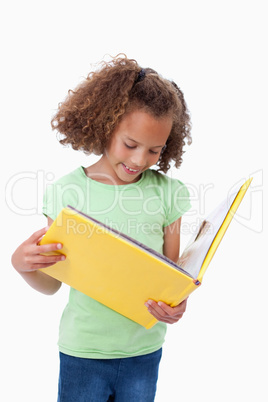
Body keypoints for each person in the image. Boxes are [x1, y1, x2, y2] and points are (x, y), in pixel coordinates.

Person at [11, 55, 192, 402]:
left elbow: (173, 279)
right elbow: (51, 284)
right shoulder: (66, 193)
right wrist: (22, 265)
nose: (140, 160)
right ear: (105, 125)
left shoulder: (169, 194)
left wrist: (178, 305)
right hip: (84, 352)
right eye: (130, 144)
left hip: (144, 351)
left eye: (155, 150)